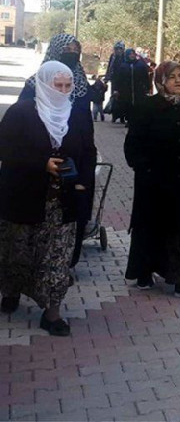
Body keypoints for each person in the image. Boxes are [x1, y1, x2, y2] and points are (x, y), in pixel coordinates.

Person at [0, 62, 96, 335]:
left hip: (62, 201)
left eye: (68, 87)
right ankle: (11, 291)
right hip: (24, 197)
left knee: (57, 258)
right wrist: (41, 163)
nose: (63, 92)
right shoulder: (21, 113)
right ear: (43, 85)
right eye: (58, 86)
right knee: (18, 251)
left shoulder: (76, 114)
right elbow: (5, 149)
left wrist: (82, 183)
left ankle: (52, 313)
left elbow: (88, 151)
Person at [124, 62, 180, 302]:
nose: (177, 81)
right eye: (171, 77)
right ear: (161, 80)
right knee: (149, 227)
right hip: (153, 183)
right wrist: (146, 170)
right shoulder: (147, 107)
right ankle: (143, 271)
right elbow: (133, 146)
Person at [20, 33, 97, 268]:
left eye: (76, 49)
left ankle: (63, 268)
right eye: (68, 49)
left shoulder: (80, 84)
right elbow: (20, 133)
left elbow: (87, 133)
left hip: (75, 161)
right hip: (39, 165)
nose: (73, 54)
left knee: (72, 217)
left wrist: (85, 174)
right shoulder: (36, 84)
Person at [112, 49, 151, 124]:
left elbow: (145, 77)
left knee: (138, 105)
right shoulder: (123, 66)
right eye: (130, 54)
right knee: (127, 105)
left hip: (138, 90)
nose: (132, 56)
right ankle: (129, 120)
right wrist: (116, 89)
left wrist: (147, 87)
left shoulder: (140, 65)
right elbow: (118, 79)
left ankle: (136, 120)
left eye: (133, 54)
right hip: (126, 91)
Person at [104, 40, 126, 121]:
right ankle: (114, 115)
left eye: (120, 49)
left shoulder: (125, 57)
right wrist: (106, 78)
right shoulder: (113, 57)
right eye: (117, 49)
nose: (118, 51)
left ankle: (122, 117)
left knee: (123, 98)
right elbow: (110, 67)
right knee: (114, 97)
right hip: (115, 80)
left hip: (124, 81)